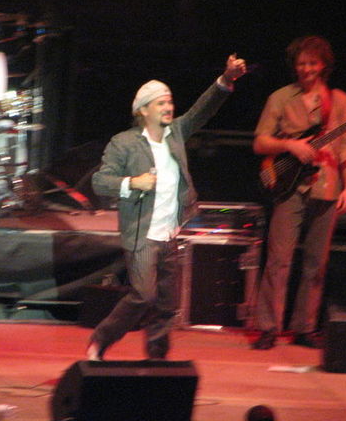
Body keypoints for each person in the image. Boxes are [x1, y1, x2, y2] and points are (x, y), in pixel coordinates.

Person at [86, 54, 247, 360]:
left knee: (166, 304)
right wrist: (133, 182)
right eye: (161, 103)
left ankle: (157, 360)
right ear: (143, 110)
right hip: (141, 234)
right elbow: (99, 182)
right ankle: (100, 339)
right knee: (143, 295)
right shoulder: (124, 143)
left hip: (169, 234)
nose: (169, 107)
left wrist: (227, 79)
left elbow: (203, 109)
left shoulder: (176, 133)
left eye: (170, 101)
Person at [251, 35, 346, 350]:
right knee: (278, 260)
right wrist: (290, 145)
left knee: (316, 263)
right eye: (301, 63)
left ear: (323, 65)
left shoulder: (340, 101)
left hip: (327, 186)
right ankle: (268, 328)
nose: (306, 68)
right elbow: (260, 142)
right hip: (290, 187)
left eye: (312, 63)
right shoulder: (281, 97)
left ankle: (305, 327)